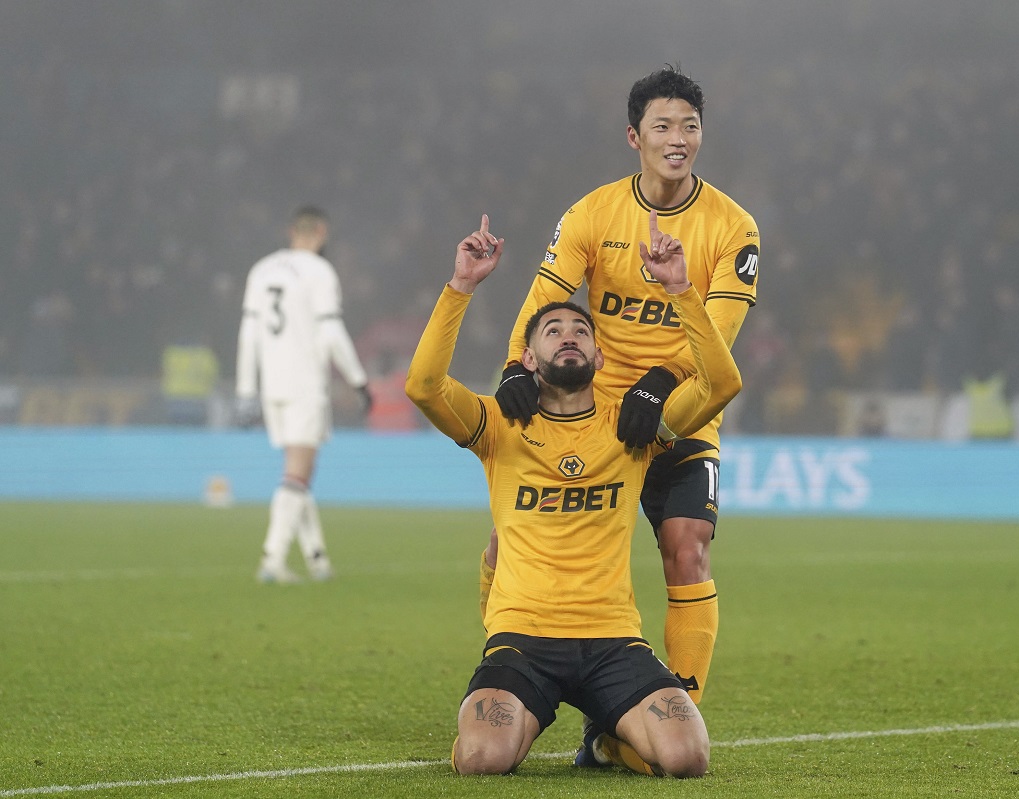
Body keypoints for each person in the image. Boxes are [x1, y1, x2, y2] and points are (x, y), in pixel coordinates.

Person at [406, 213, 740, 777]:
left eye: (581, 330)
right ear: (528, 358)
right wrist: (460, 287)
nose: (569, 335)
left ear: (599, 358)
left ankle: (607, 739)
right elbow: (423, 386)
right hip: (525, 639)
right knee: (484, 759)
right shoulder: (497, 425)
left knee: (688, 758)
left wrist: (682, 290)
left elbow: (721, 385)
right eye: (553, 330)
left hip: (611, 640)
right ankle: (512, 716)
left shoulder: (634, 430)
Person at [490, 64, 760, 711]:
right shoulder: (593, 212)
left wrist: (661, 380)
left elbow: (717, 339)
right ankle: (505, 666)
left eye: (689, 126)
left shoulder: (733, 227)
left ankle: (681, 703)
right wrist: (513, 368)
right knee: (507, 544)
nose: (679, 138)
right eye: (662, 125)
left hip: (681, 406)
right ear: (633, 137)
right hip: (597, 415)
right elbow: (544, 299)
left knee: (687, 546)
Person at [235, 205, 373, 584]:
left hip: (270, 386)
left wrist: (246, 390)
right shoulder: (319, 271)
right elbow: (330, 333)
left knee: (296, 474)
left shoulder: (261, 269)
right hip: (304, 384)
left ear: (291, 230)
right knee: (298, 472)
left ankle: (317, 560)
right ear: (321, 232)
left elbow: (249, 333)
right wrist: (358, 380)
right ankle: (271, 559)